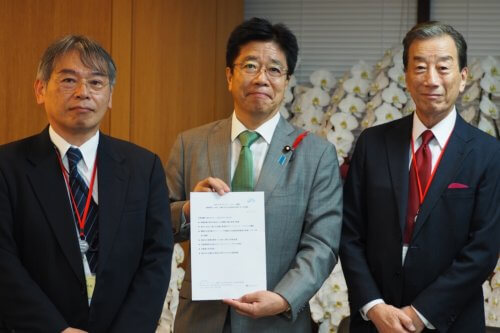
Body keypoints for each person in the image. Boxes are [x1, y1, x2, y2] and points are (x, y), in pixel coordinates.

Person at [167, 17, 342, 332]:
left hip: (276, 321)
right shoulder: (190, 143)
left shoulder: (317, 154)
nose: (262, 78)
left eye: (274, 69)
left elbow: (323, 241)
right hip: (201, 320)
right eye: (250, 66)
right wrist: (190, 210)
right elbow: (157, 223)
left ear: (286, 81)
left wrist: (284, 297)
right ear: (229, 76)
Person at [0, 35, 173, 332]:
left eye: (96, 82)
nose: (83, 92)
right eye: (69, 80)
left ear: (110, 95)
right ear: (40, 89)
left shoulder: (144, 167)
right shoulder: (7, 166)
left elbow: (156, 257)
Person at [340, 21, 500, 333]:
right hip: (377, 321)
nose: (432, 79)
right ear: (406, 76)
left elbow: (483, 249)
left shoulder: (488, 153)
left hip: (452, 321)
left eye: (443, 67)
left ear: (463, 77)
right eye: (420, 67)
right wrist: (373, 306)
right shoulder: (372, 143)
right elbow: (349, 233)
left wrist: (421, 313)